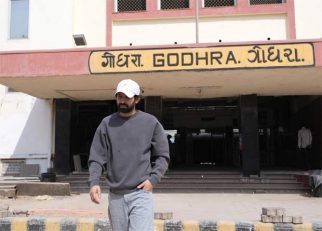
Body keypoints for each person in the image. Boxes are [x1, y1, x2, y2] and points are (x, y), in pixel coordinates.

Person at [88, 79, 170, 231]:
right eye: (119, 97)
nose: (122, 101)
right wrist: (94, 183)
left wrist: (153, 179)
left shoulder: (150, 122)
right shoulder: (106, 124)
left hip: (140, 193)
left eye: (127, 97)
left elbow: (163, 155)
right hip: (115, 196)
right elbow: (96, 157)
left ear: (137, 99)